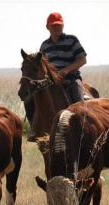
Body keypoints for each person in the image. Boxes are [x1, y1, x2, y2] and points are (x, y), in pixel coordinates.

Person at [24, 12, 87, 140]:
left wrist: (66, 70)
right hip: (51, 81)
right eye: (54, 26)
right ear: (47, 27)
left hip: (71, 77)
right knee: (29, 99)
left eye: (59, 25)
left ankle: (83, 128)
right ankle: (35, 130)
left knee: (78, 95)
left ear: (63, 25)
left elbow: (82, 60)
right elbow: (41, 65)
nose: (57, 28)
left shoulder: (72, 40)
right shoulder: (44, 45)